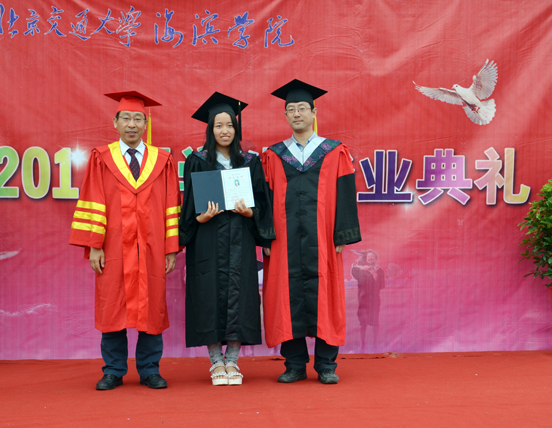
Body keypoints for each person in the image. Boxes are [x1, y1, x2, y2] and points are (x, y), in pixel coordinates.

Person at [69, 91, 181, 390]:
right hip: (113, 247)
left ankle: (150, 370)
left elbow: (172, 205)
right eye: (126, 118)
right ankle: (113, 370)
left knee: (152, 308)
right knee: (112, 307)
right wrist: (94, 245)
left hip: (152, 247)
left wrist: (171, 249)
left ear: (146, 124)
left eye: (138, 119)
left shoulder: (163, 160)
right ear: (115, 122)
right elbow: (93, 199)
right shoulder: (101, 158)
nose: (132, 124)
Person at [262, 79, 361, 384]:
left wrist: (343, 233)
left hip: (323, 236)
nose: (297, 114)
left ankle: (327, 365)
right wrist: (265, 235)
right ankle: (294, 364)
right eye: (291, 109)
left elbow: (345, 193)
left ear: (314, 112)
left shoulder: (334, 151)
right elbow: (265, 198)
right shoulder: (274, 155)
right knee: (285, 295)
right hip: (284, 238)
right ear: (285, 115)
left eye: (302, 108)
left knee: (326, 295)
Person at [179, 92, 275, 386]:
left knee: (240, 295)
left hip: (239, 242)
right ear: (210, 129)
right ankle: (215, 362)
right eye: (218, 125)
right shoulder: (197, 161)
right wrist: (200, 219)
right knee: (207, 296)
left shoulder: (250, 162)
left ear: (237, 129)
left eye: (230, 125)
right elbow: (188, 206)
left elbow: (263, 203)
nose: (224, 131)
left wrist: (250, 213)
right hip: (207, 241)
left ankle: (232, 361)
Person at [351, 250, 385, 353]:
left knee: (375, 322)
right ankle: (363, 344)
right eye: (369, 256)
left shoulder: (380, 271)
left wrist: (375, 277)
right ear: (365, 258)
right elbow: (354, 271)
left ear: (375, 258)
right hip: (363, 299)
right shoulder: (361, 270)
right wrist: (362, 268)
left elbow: (382, 285)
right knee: (363, 322)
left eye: (372, 256)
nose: (370, 258)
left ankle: (375, 344)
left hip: (374, 300)